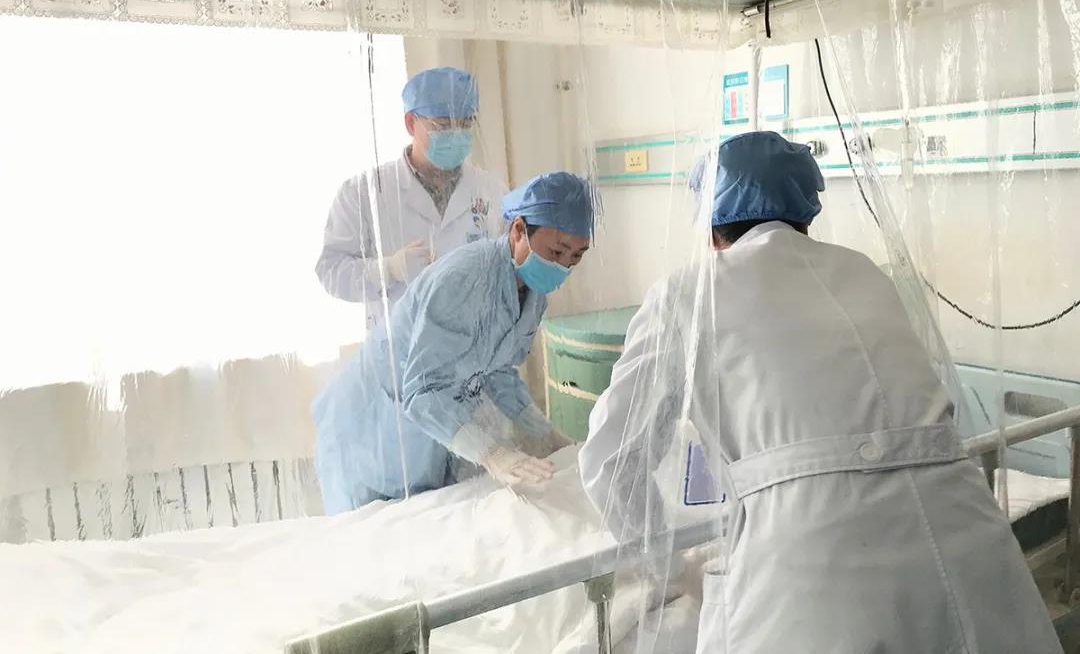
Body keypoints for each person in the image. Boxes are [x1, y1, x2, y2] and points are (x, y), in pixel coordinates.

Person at [579, 131, 1061, 653]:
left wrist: (673, 568)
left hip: (815, 558)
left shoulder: (688, 295)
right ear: (805, 213)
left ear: (711, 227)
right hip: (965, 534)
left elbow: (611, 460)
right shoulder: (865, 273)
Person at [313, 172, 593, 514]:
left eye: (576, 257)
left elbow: (497, 370)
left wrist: (545, 435)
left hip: (424, 429)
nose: (563, 266)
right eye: (557, 251)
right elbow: (422, 391)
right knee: (372, 528)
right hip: (370, 429)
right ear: (519, 230)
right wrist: (492, 453)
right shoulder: (462, 281)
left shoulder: (532, 295)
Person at [316, 66, 508, 331]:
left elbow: (510, 268)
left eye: (465, 124)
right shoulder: (363, 193)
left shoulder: (491, 190)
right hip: (401, 348)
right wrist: (388, 270)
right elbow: (331, 271)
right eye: (443, 125)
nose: (456, 134)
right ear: (410, 123)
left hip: (473, 344)